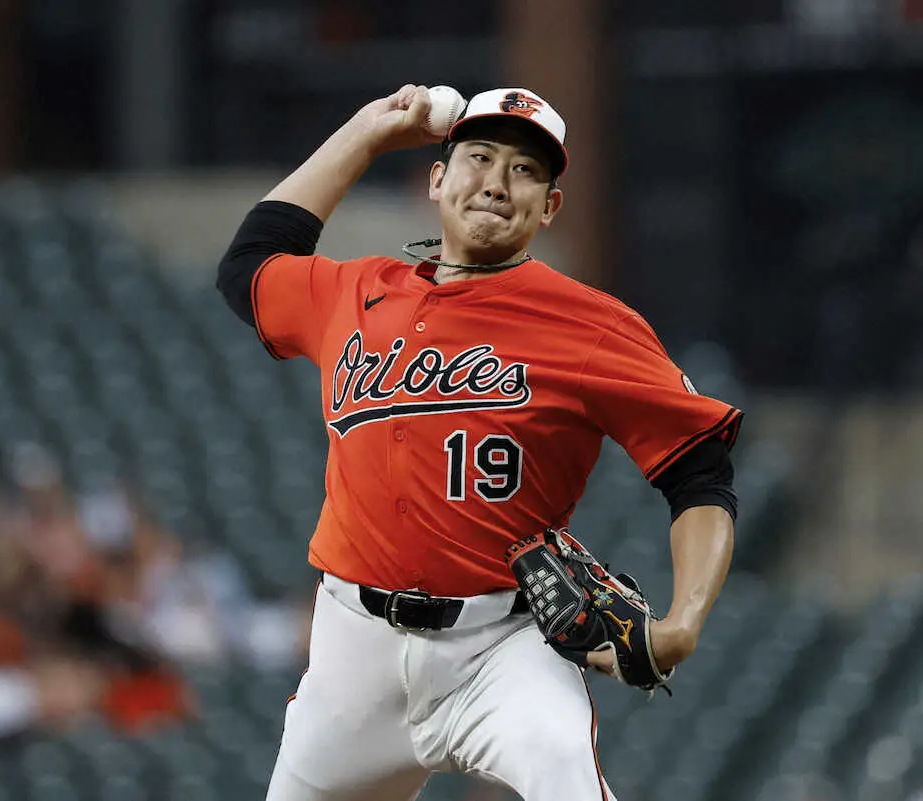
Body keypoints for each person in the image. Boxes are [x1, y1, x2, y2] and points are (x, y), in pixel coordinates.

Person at [216, 84, 742, 801]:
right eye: (480, 157)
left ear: (549, 207)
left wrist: (683, 623)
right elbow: (248, 265)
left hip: (502, 647)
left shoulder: (592, 325)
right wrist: (366, 132)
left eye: (525, 170)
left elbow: (700, 473)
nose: (497, 182)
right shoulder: (356, 291)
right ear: (437, 179)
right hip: (352, 654)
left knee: (568, 783)